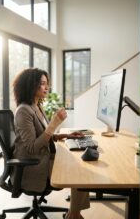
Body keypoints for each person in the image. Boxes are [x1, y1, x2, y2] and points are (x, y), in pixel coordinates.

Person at [12, 68, 90, 219]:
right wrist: (54, 124)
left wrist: (64, 135)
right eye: (42, 84)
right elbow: (32, 148)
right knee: (80, 171)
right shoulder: (23, 111)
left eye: (47, 83)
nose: (46, 87)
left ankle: (74, 214)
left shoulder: (36, 107)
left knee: (80, 165)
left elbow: (43, 135)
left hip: (44, 157)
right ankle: (74, 215)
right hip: (32, 165)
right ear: (31, 85)